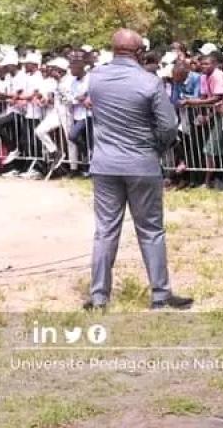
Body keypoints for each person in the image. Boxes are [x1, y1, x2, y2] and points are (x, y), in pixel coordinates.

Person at [85, 28, 191, 311]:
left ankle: (98, 296)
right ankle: (160, 294)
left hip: (105, 163)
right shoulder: (149, 82)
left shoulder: (95, 77)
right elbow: (169, 126)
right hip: (142, 162)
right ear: (140, 52)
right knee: (151, 230)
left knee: (105, 231)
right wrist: (156, 147)